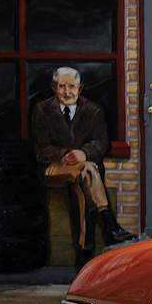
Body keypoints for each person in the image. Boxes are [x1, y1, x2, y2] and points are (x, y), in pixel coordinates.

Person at [31, 67, 135, 250]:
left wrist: (83, 154)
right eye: (62, 86)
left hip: (84, 168)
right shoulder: (42, 110)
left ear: (80, 88)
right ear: (54, 88)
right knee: (88, 170)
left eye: (72, 86)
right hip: (54, 167)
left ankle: (85, 245)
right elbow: (41, 147)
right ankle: (110, 225)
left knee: (85, 174)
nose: (67, 91)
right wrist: (64, 155)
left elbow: (101, 143)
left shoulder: (93, 110)